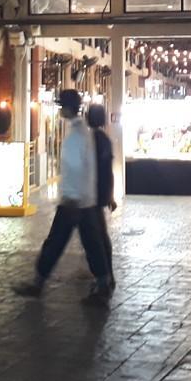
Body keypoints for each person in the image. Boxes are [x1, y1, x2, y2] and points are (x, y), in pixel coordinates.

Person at [13, 90, 112, 303]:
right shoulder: (83, 132)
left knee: (60, 242)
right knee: (88, 243)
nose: (59, 110)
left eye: (61, 106)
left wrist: (73, 199)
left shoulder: (76, 135)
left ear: (67, 108)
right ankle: (101, 283)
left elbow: (76, 168)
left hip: (74, 201)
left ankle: (39, 282)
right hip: (83, 199)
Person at [87, 103, 117, 289]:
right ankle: (107, 275)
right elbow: (109, 170)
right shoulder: (104, 139)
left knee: (95, 238)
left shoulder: (90, 139)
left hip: (90, 193)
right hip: (99, 192)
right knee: (100, 236)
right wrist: (110, 195)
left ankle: (105, 278)